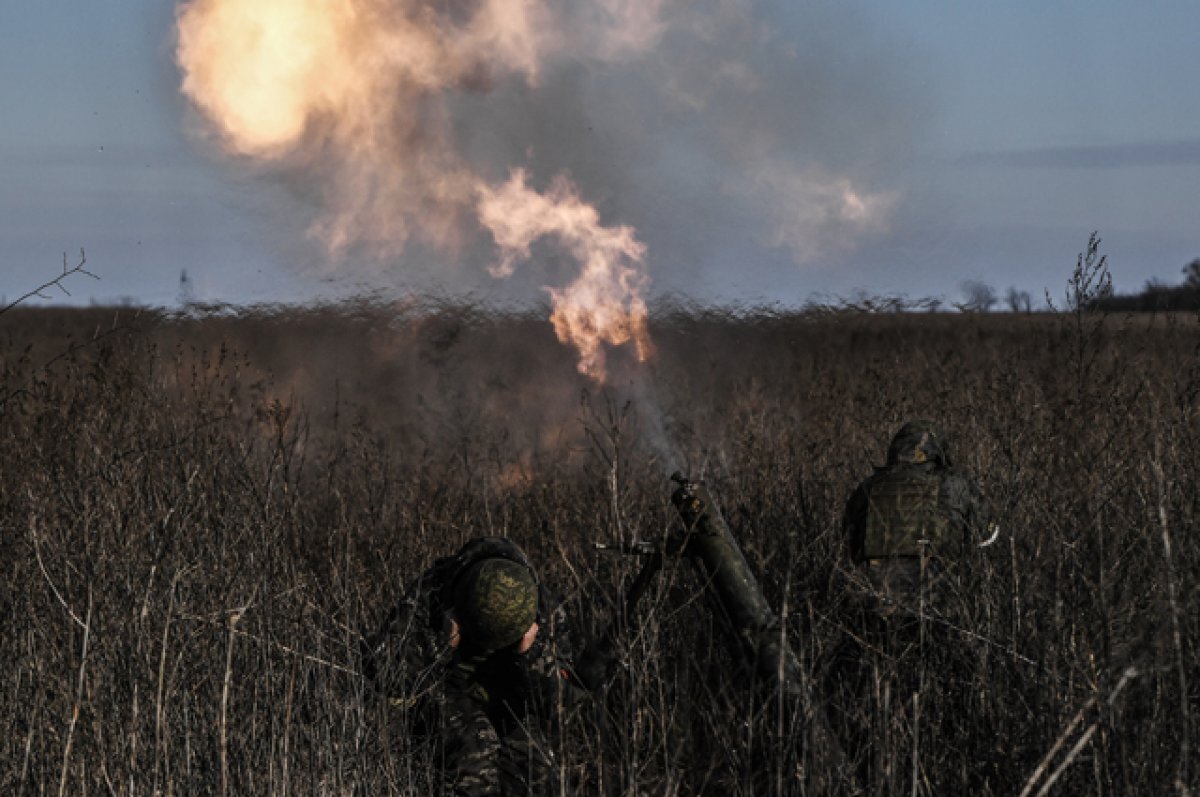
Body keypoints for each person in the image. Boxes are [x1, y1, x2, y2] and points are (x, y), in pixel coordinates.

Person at [362, 536, 606, 796]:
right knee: (473, 757)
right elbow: (385, 675)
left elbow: (559, 705)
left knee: (534, 766)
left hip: (511, 697)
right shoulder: (432, 593)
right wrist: (443, 645)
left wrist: (530, 654)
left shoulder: (538, 607)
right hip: (449, 690)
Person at [826, 420, 993, 791]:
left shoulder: (867, 489)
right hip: (937, 613)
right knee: (949, 702)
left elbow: (848, 547)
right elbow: (986, 540)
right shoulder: (954, 485)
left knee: (863, 705)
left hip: (873, 616)